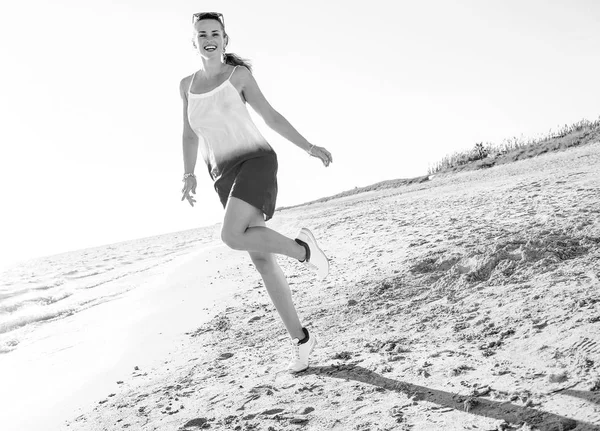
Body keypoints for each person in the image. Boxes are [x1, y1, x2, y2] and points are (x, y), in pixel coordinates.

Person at [180, 12, 333, 373]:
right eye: (202, 34)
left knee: (231, 235)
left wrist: (309, 146)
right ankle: (302, 340)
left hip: (256, 162)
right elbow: (188, 133)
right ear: (194, 42)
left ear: (225, 39)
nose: (208, 38)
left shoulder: (239, 76)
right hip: (222, 175)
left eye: (214, 32)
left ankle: (304, 250)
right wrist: (188, 173)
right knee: (263, 262)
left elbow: (271, 116)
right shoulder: (185, 85)